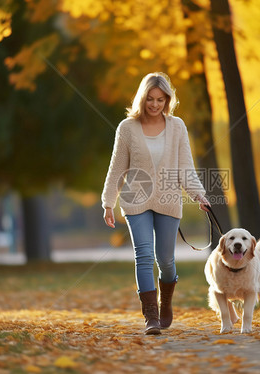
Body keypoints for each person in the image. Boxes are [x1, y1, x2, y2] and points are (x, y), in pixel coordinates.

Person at [102, 72, 210, 335]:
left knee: (166, 260)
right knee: (144, 255)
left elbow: (185, 167)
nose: (155, 104)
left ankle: (166, 301)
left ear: (168, 100)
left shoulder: (177, 127)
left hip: (169, 199)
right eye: (150, 99)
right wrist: (108, 202)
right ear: (142, 98)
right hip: (135, 200)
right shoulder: (126, 128)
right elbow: (117, 168)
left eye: (160, 99)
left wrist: (199, 194)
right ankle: (150, 316)